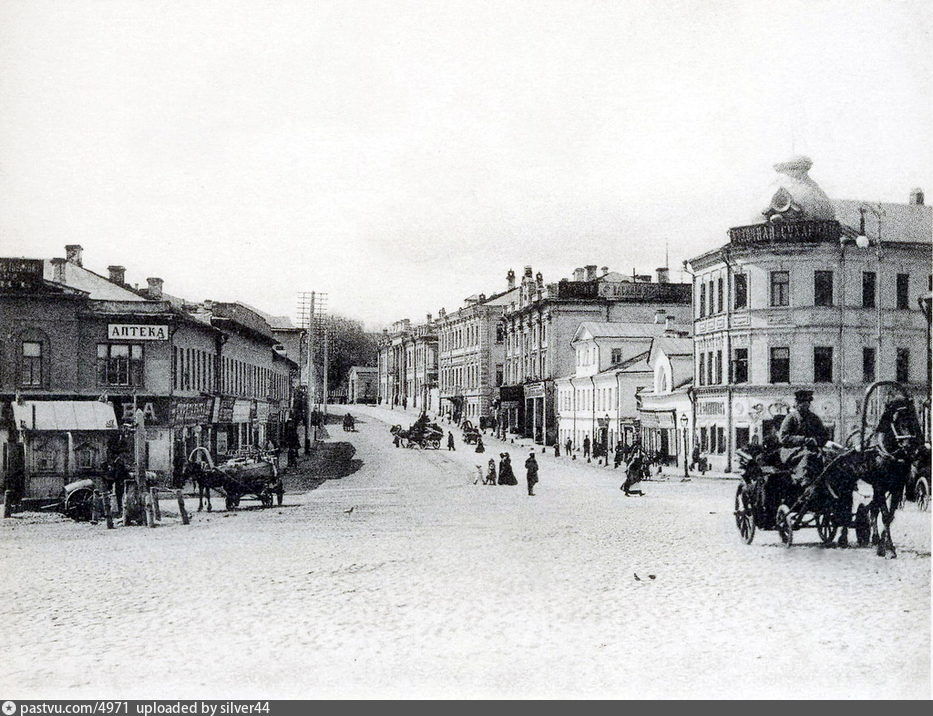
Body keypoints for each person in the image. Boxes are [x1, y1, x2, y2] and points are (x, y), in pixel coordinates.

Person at [780, 389, 829, 510]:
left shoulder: (814, 418)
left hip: (813, 450)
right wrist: (804, 440)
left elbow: (824, 435)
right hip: (791, 451)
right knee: (807, 457)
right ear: (796, 404)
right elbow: (783, 438)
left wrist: (817, 440)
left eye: (807, 402)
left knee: (828, 458)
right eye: (802, 402)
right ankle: (804, 483)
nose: (805, 404)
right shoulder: (791, 418)